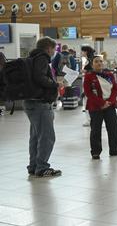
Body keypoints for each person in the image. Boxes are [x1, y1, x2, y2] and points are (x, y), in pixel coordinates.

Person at [25, 37, 63, 177]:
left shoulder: (31, 58)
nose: (54, 52)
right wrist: (55, 84)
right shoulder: (42, 58)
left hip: (30, 102)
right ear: (48, 48)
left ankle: (34, 165)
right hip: (39, 103)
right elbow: (39, 77)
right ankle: (42, 167)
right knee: (47, 136)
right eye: (54, 49)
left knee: (35, 135)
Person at [83, 55, 117, 159]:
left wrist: (110, 102)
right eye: (96, 61)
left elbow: (115, 89)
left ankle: (114, 149)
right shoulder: (89, 77)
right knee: (95, 130)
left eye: (101, 61)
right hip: (96, 106)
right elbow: (88, 93)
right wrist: (102, 103)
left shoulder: (109, 75)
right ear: (92, 64)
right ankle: (95, 152)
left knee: (113, 127)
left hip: (110, 106)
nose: (99, 63)